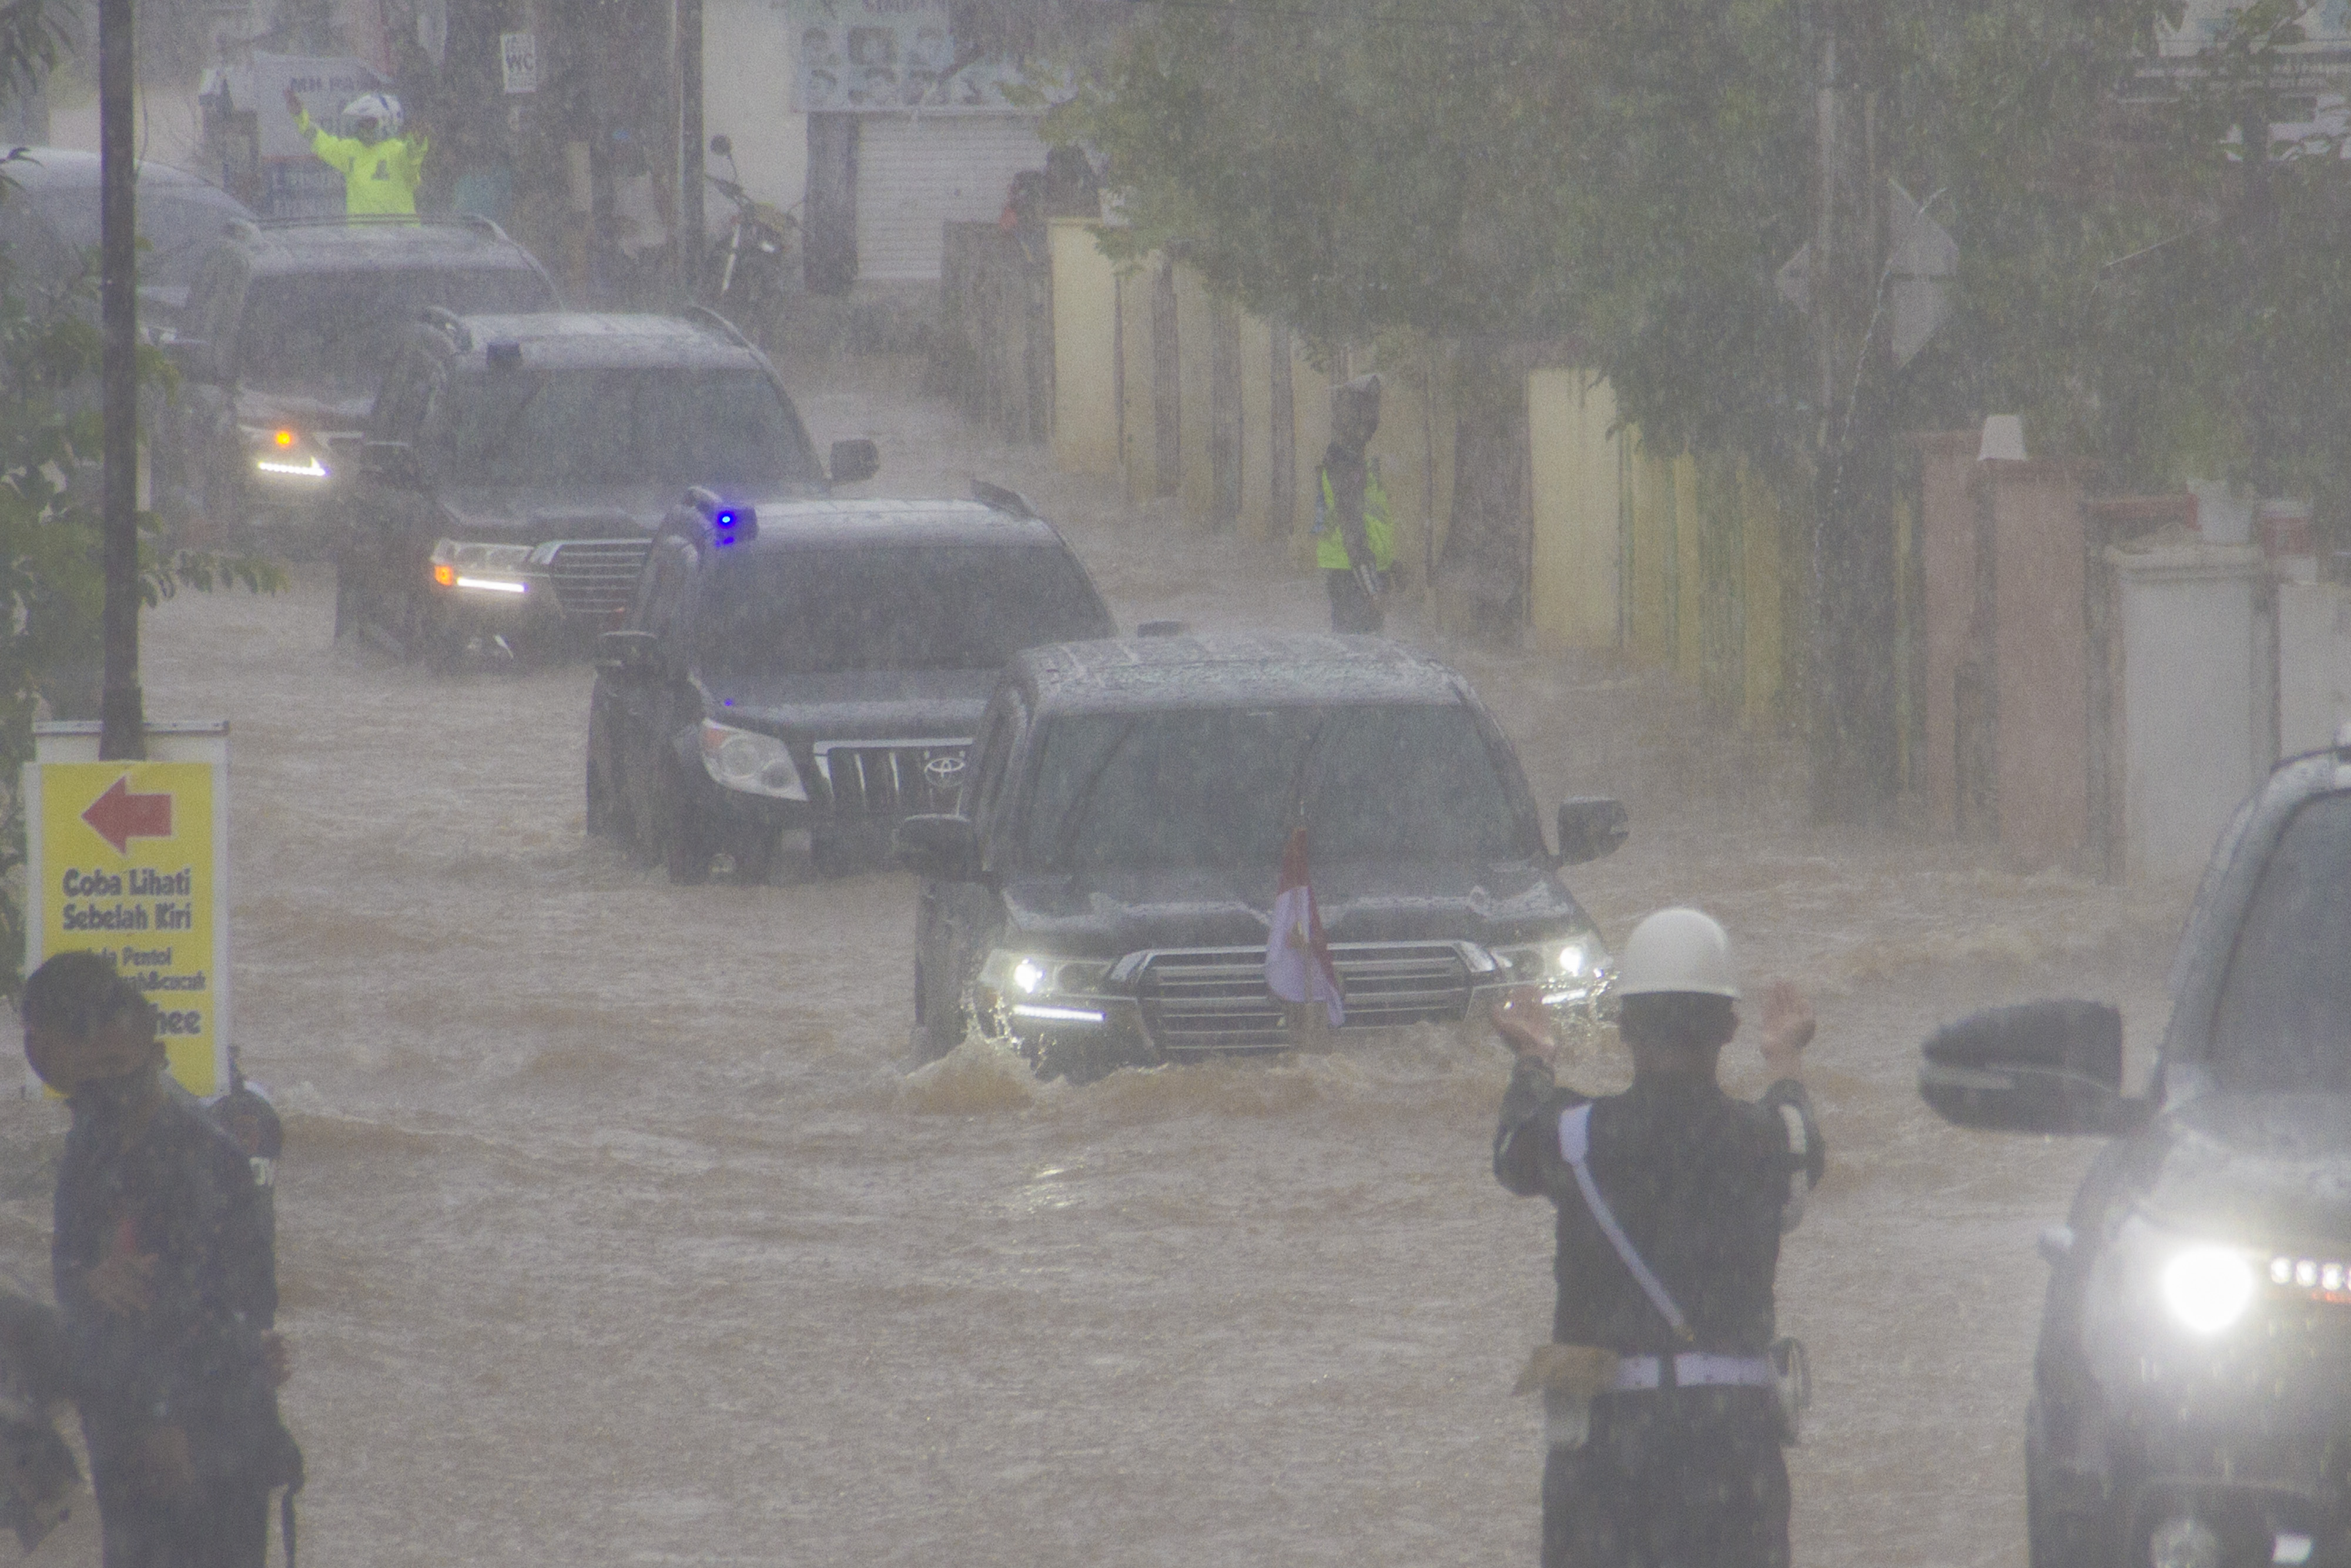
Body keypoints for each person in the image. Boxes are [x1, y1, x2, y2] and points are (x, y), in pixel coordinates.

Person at [1492, 908, 1824, 1568]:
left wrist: (1534, 1059)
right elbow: (1800, 1137)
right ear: (1729, 1028)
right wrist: (1784, 1058)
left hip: (1606, 1463)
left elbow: (1510, 1152)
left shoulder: (1573, 1136)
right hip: (1733, 1454)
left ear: (1623, 1027)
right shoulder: (1770, 1140)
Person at [21, 951, 298, 1568]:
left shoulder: (202, 1158)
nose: (108, 1086)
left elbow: (233, 1307)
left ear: (156, 1056)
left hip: (208, 1438)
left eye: (122, 1067)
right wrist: (89, 1279)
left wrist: (169, 1421)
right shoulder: (91, 1140)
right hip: (127, 1431)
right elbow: (69, 1264)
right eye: (94, 1072)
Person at [1314, 373, 1395, 633]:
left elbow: (1367, 522)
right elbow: (1353, 530)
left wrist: (1389, 567)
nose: (1372, 424)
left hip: (1353, 572)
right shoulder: (1346, 463)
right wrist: (1371, 588)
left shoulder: (1349, 459)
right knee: (1363, 654)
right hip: (1352, 576)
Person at [283, 87, 427, 218]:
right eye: (361, 122)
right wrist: (300, 116)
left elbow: (413, 158)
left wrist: (418, 142)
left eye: (369, 122)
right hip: (361, 241)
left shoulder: (398, 151)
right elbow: (321, 142)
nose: (362, 127)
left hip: (400, 240)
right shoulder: (351, 150)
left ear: (386, 122)